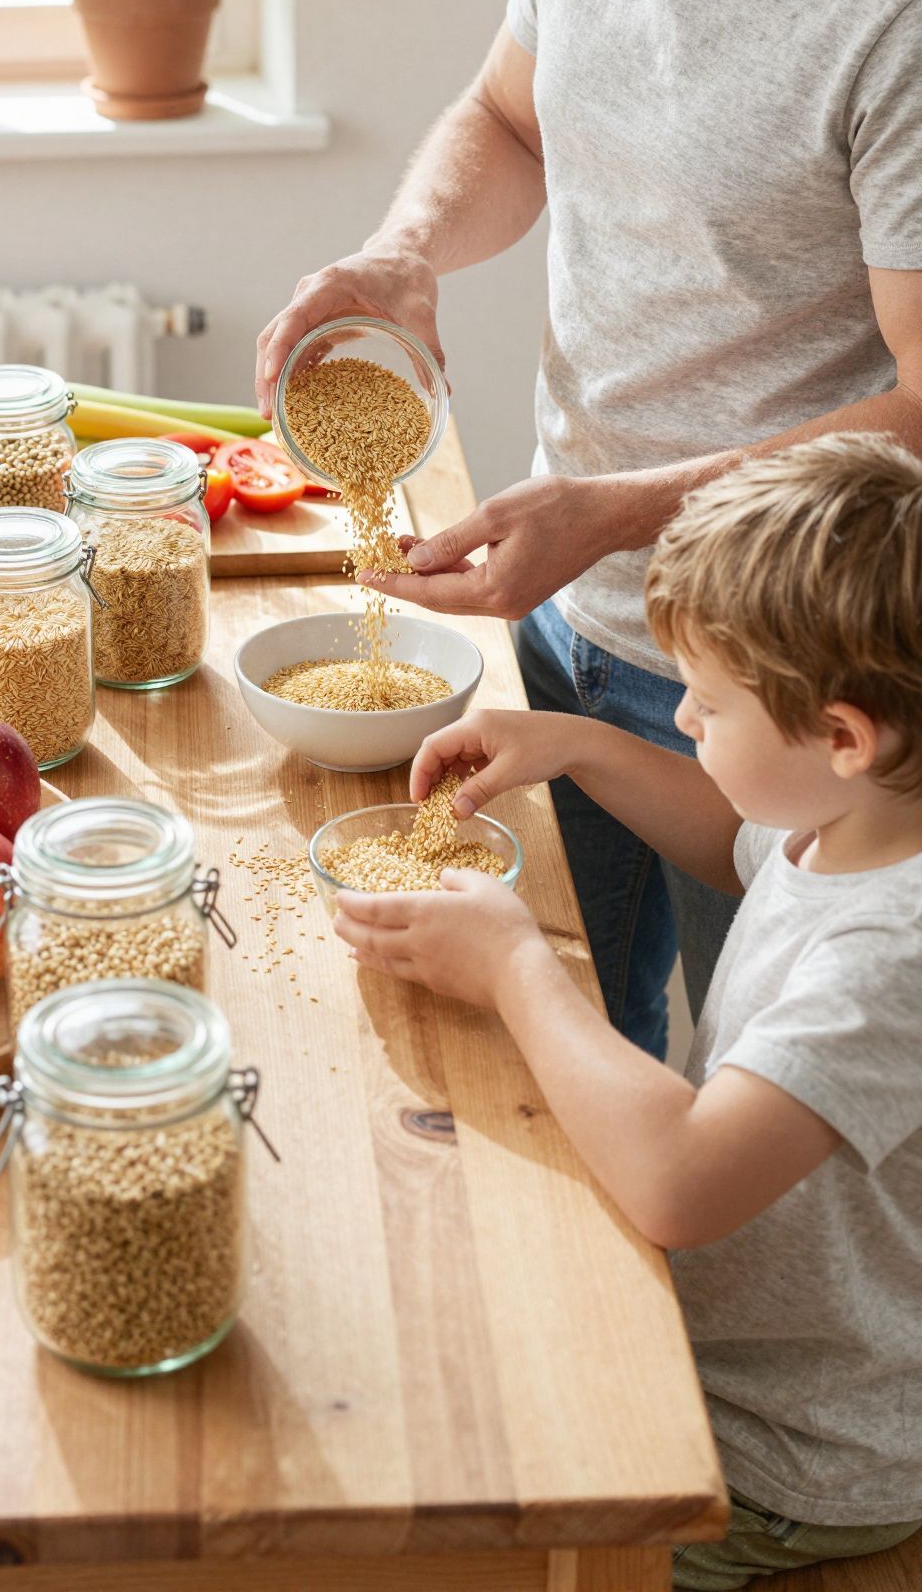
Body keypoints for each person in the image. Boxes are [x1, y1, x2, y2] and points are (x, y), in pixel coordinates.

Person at [254, 0, 922, 1061]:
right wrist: (408, 247)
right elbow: (510, 119)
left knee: (759, 1131)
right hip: (562, 624)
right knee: (538, 1052)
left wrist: (617, 512)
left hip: (786, 701)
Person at [333, 433, 922, 1590]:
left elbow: (680, 1178)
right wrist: (580, 747)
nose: (687, 724)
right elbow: (737, 838)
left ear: (846, 736)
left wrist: (515, 964)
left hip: (787, 1446)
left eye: (705, 703)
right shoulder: (850, 820)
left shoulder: (891, 953)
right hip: (731, 1339)